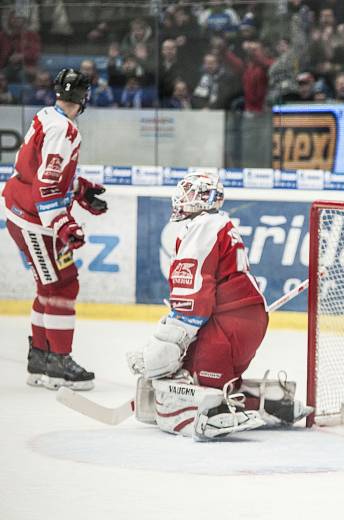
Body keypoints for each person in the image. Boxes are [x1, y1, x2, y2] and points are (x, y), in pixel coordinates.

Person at [127, 172, 312, 440]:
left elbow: (192, 298)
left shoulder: (202, 226)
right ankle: (271, 405)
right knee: (216, 382)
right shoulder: (219, 224)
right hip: (244, 321)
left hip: (227, 326)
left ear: (204, 199)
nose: (181, 198)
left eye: (189, 192)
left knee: (184, 384)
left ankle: (212, 416)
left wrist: (160, 350)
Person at [2, 68, 107, 391]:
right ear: (85, 98)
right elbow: (46, 185)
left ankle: (41, 358)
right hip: (36, 221)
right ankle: (59, 364)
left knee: (49, 286)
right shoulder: (65, 130)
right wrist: (64, 224)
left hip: (21, 211)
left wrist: (78, 189)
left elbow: (40, 173)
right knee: (62, 286)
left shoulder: (48, 115)